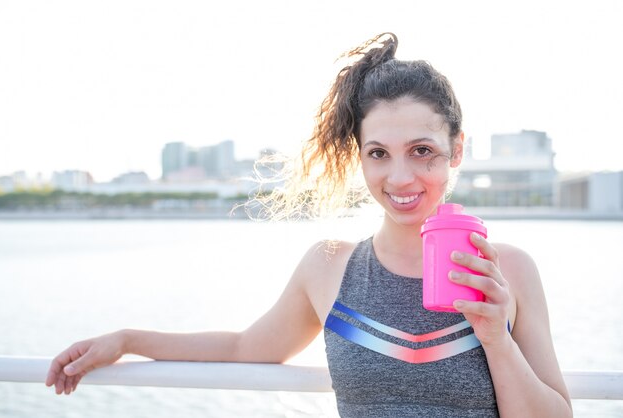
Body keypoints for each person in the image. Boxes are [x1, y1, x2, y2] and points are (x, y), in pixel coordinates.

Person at [46, 33, 572, 417]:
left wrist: (495, 338)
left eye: (422, 152)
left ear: (457, 150)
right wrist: (125, 339)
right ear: (360, 157)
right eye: (378, 153)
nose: (400, 176)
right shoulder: (330, 267)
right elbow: (243, 349)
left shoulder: (508, 271)